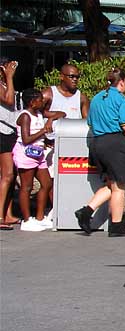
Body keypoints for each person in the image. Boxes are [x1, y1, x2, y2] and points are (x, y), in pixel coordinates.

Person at [75, 67, 125, 236]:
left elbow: (90, 123)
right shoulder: (121, 100)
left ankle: (86, 211)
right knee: (120, 187)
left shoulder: (97, 98)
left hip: (98, 144)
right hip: (116, 144)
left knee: (112, 184)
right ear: (122, 82)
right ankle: (116, 226)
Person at [13, 89, 63, 231]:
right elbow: (26, 139)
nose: (43, 102)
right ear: (32, 102)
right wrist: (43, 131)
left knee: (46, 184)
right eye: (40, 100)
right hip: (26, 154)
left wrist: (51, 119)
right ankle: (27, 220)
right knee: (26, 186)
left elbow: (61, 114)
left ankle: (40, 217)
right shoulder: (25, 116)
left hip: (39, 154)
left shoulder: (40, 114)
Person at [0, 58, 19, 230]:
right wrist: (10, 77)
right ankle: (0, 215)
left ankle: (8, 213)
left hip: (10, 131)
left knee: (11, 176)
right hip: (2, 133)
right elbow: (8, 101)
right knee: (7, 174)